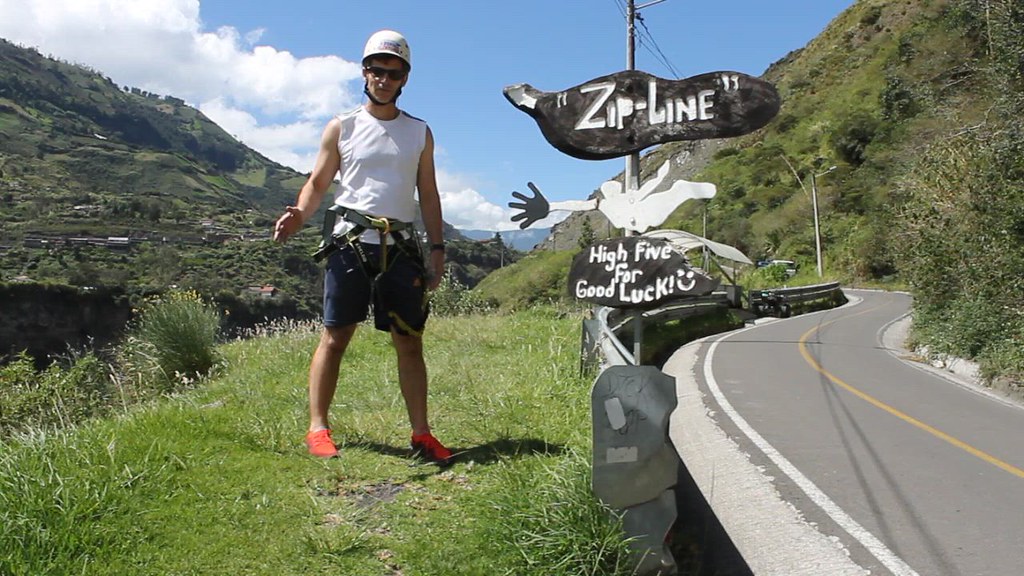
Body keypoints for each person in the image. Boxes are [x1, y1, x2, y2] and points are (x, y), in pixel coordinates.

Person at [272, 29, 451, 466]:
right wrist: (299, 213)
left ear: (404, 78)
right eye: (376, 70)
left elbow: (428, 193)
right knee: (335, 336)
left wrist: (438, 248)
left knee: (410, 342)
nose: (383, 79)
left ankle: (422, 435)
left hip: (400, 246)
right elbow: (319, 181)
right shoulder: (343, 126)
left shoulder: (419, 132)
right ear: (364, 73)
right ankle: (318, 428)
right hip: (350, 242)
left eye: (393, 72)